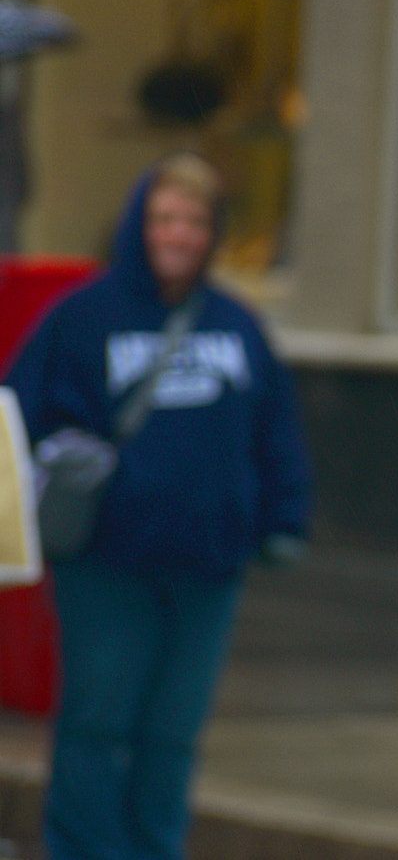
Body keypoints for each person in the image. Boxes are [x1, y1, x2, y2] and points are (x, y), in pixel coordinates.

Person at [8, 151, 310, 860]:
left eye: (194, 220)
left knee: (173, 732)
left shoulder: (238, 324)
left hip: (208, 567)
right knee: (96, 723)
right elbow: (18, 414)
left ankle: (154, 848)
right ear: (137, 225)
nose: (178, 234)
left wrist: (284, 518)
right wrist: (63, 453)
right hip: (106, 564)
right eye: (164, 217)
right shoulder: (81, 318)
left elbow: (275, 431)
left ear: (213, 232)